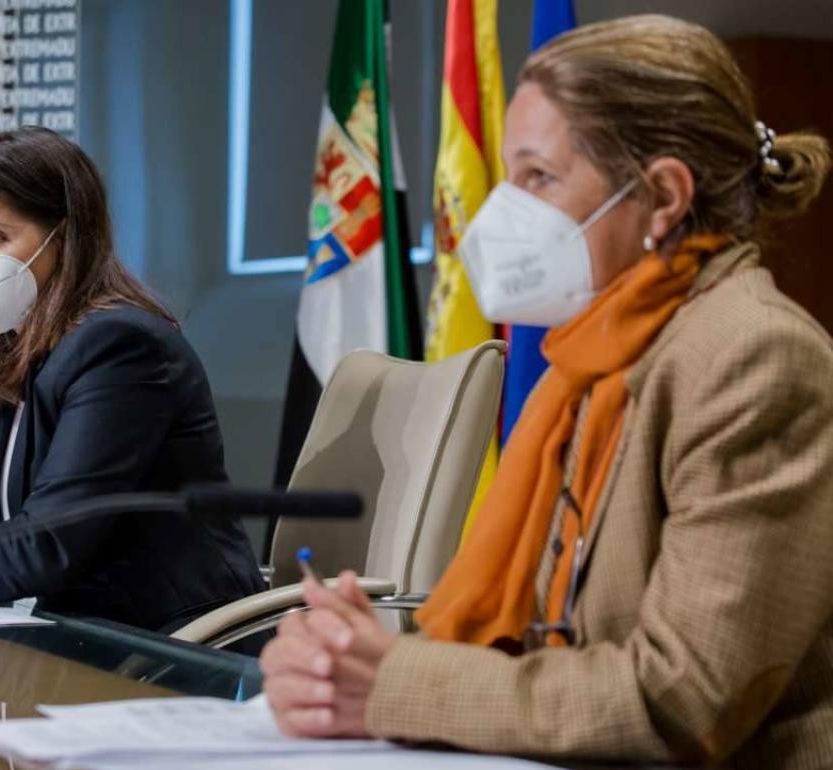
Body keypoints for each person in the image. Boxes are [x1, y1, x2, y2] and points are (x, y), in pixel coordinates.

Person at [260, 14, 833, 768]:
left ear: (662, 196)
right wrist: (348, 654)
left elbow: (679, 702)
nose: (502, 214)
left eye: (539, 177)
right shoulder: (589, 360)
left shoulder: (755, 359)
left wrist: (391, 681)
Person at [0, 128, 265, 632]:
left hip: (172, 645)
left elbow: (46, 545)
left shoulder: (121, 347)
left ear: (65, 236)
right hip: (80, 637)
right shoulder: (8, 340)